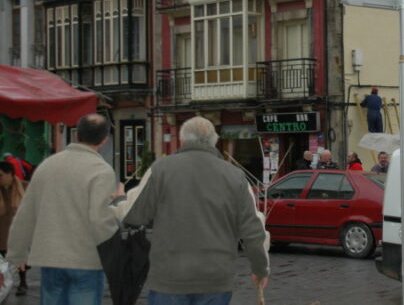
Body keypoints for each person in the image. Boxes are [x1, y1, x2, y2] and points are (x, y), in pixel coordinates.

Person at [123, 117, 268, 304]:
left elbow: (136, 216)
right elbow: (252, 231)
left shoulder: (161, 169)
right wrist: (260, 269)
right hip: (215, 277)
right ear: (214, 141)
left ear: (182, 141)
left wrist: (120, 200)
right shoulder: (235, 176)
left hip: (169, 277)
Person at [7, 113, 119, 305]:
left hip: (51, 258)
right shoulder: (101, 170)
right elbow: (100, 220)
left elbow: (26, 214)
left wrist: (17, 253)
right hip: (87, 260)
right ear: (104, 140)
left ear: (77, 135)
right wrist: (117, 255)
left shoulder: (47, 166)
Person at [0, 162, 27, 296]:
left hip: (19, 228)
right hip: (2, 229)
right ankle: (3, 283)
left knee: (21, 257)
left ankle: (23, 283)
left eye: (1, 175)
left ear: (10, 174)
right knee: (3, 257)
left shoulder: (23, 186)